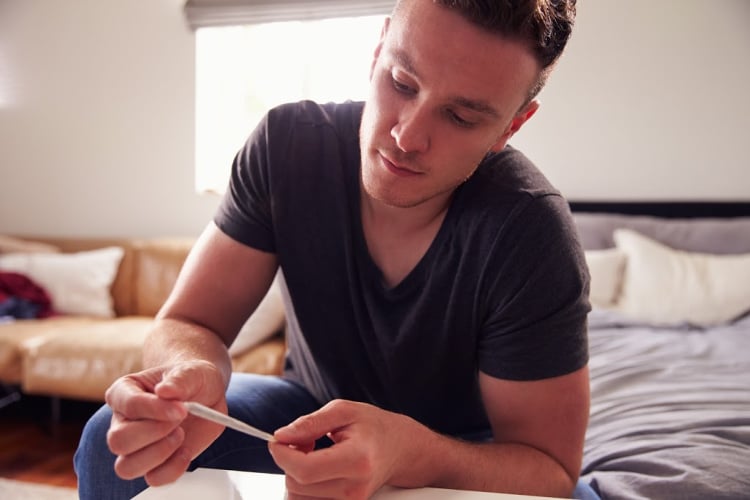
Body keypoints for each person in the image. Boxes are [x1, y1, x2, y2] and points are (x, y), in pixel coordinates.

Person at [75, 0, 597, 498]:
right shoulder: (288, 148)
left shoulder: (530, 230)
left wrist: (413, 454)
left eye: (461, 117)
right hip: (312, 415)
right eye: (401, 82)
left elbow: (548, 469)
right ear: (378, 48)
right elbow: (189, 322)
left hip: (466, 451)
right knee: (114, 437)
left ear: (511, 125)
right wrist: (191, 376)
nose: (408, 135)